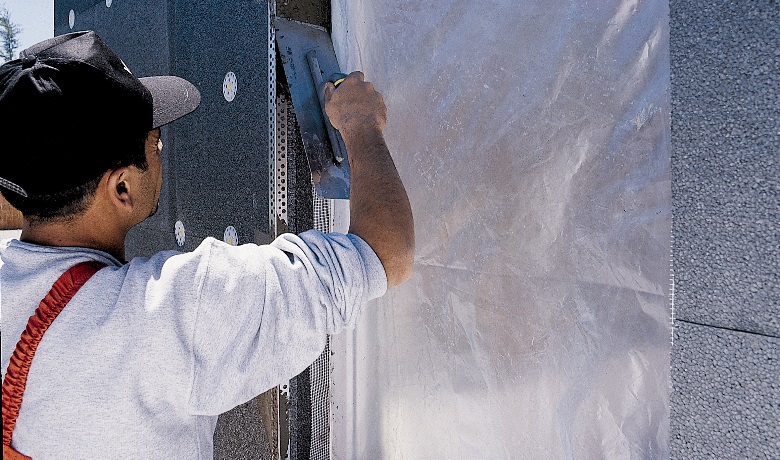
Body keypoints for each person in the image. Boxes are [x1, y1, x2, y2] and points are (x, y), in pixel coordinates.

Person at [0, 31, 413, 458]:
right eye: (154, 139)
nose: (162, 148)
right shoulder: (167, 314)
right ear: (122, 187)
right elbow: (385, 253)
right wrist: (361, 125)